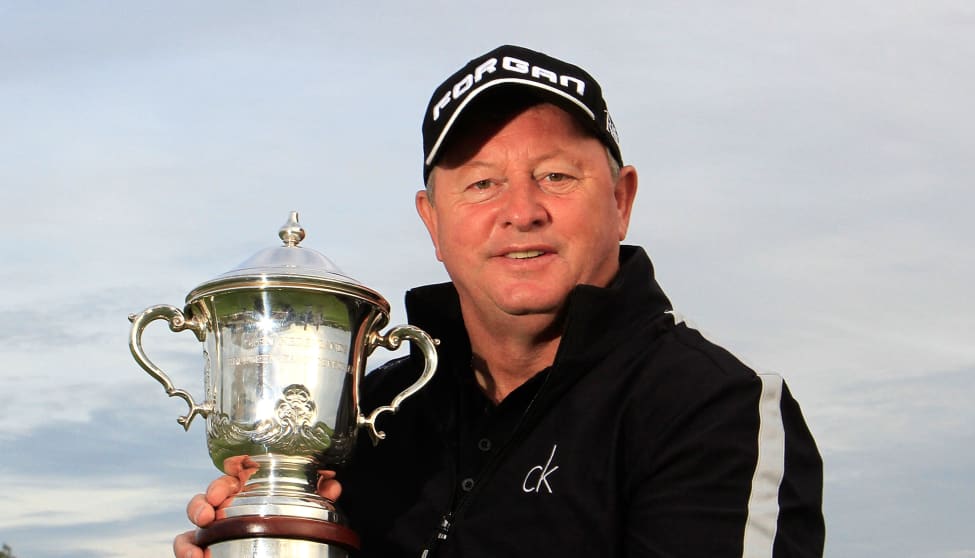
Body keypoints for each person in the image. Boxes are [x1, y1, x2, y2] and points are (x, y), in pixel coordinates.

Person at [174, 44, 824, 558]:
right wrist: (266, 539)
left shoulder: (714, 410)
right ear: (432, 223)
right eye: (482, 183)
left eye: (555, 176)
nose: (521, 212)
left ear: (621, 201)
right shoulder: (365, 418)